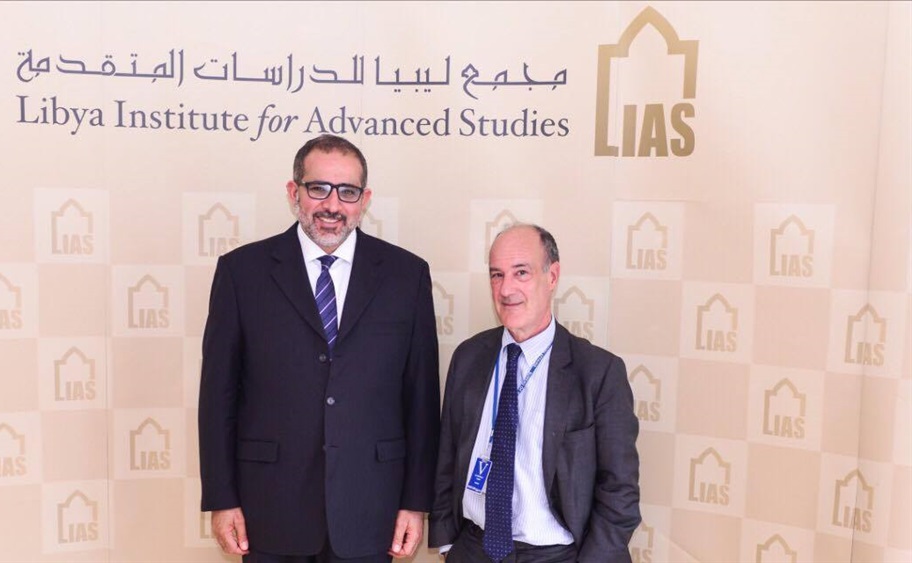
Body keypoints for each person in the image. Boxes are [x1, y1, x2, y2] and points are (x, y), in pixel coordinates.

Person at [199, 134, 441, 563]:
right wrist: (222, 498)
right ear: (294, 192)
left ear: (364, 200)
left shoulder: (407, 275)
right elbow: (218, 395)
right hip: (268, 508)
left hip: (372, 509)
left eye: (347, 191)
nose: (332, 205)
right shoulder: (242, 273)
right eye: (318, 188)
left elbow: (420, 398)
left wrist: (415, 502)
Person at [429, 224, 640, 562]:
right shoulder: (468, 357)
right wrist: (448, 547)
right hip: (473, 548)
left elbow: (620, 491)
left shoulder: (598, 372)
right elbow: (446, 456)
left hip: (556, 555)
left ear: (552, 276)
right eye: (497, 275)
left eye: (521, 273)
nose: (506, 289)